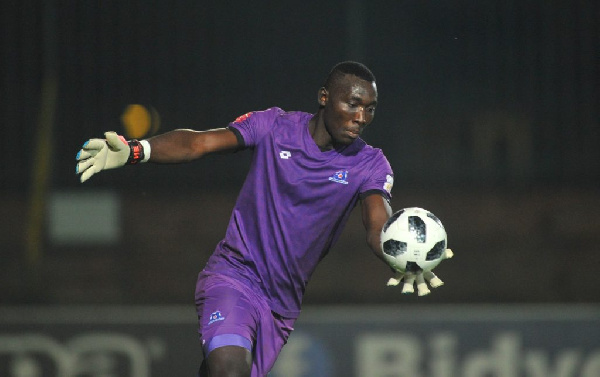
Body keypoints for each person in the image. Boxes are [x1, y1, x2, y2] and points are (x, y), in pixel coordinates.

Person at [76, 61, 448, 377]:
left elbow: (376, 226)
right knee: (228, 367)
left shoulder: (370, 163)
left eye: (370, 109)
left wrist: (401, 255)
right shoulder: (274, 127)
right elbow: (200, 143)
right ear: (324, 97)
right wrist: (136, 150)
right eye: (353, 104)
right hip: (234, 274)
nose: (361, 117)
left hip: (281, 305)